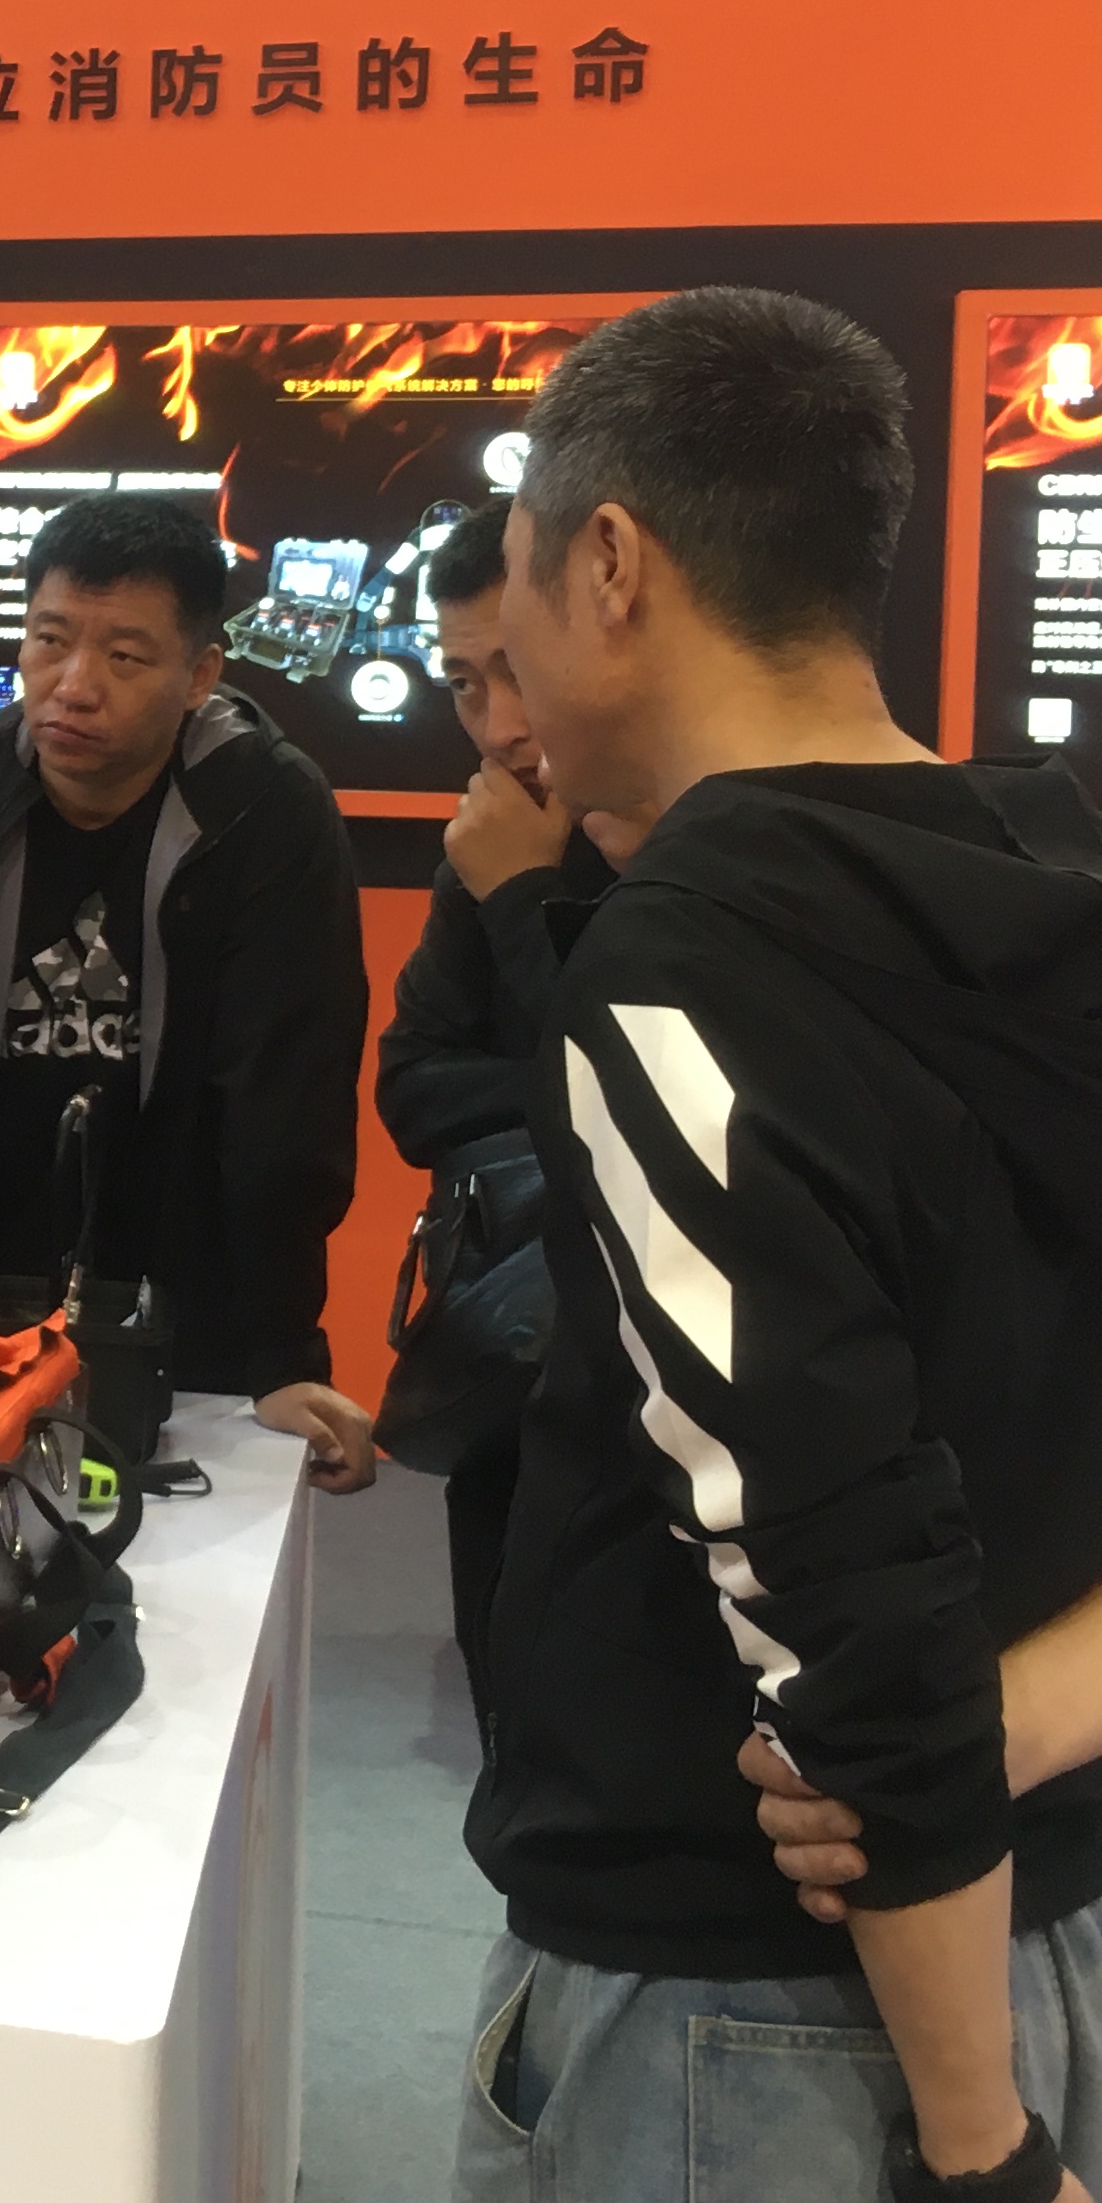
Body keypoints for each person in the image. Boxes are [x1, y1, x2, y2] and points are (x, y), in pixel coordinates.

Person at [453, 288, 1102, 2203]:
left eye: (520, 579)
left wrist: (982, 2161)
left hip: (773, 2019)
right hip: (1063, 1947)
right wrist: (1001, 1730)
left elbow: (837, 1616)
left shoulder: (679, 965)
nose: (504, 684)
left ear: (612, 563)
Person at [0, 489, 377, 1486]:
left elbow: (287, 1097)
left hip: (184, 1298)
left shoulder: (266, 813)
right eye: (50, 642)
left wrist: (284, 1354)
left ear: (200, 675)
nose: (74, 687)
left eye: (125, 658)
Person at [371, 496, 623, 1728]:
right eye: (467, 685)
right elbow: (415, 1088)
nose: (500, 727)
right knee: (509, 1711)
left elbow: (662, 1112)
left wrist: (526, 900)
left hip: (673, 1411)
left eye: (520, 671)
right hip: (514, 1368)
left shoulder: (706, 850)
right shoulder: (488, 845)